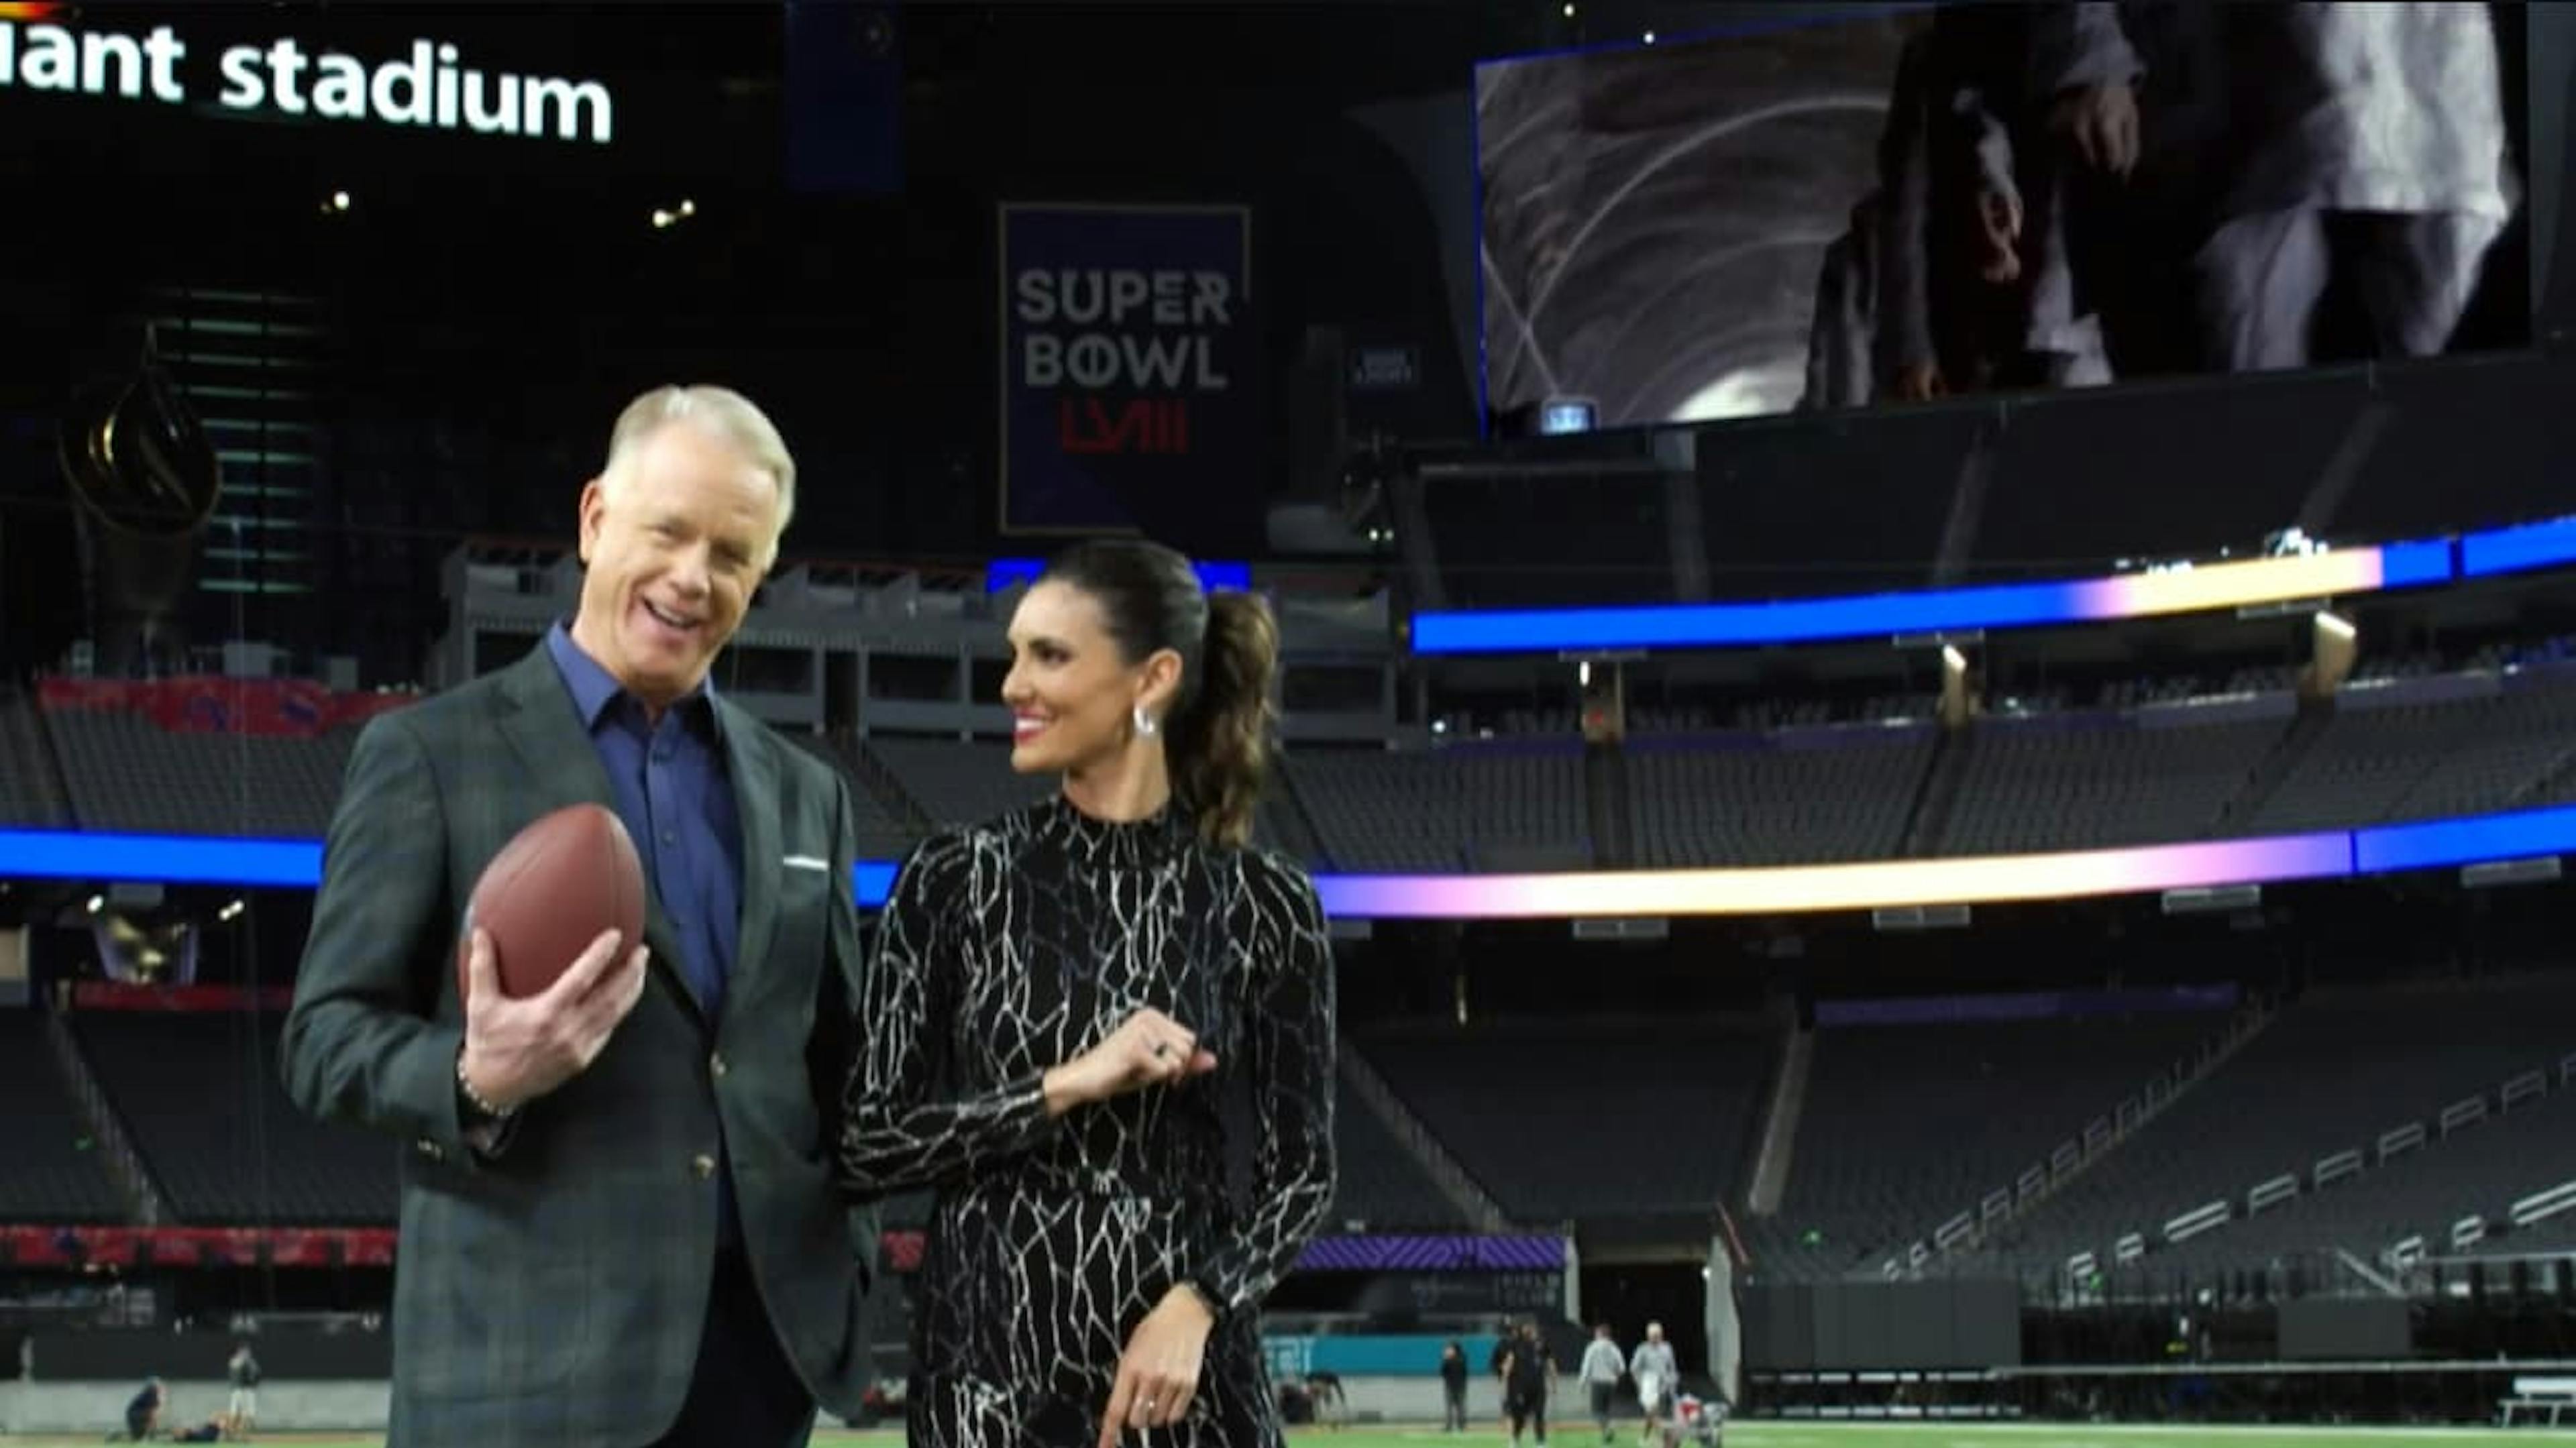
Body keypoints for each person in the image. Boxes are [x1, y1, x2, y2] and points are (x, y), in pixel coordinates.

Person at [282, 385, 882, 1448]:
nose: (695, 576)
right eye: (669, 530)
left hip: (758, 1367)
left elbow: (836, 1062)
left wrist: (852, 1263)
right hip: (527, 1377)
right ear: (597, 517)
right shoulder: (428, 754)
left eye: (735, 553)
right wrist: (476, 1077)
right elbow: (323, 1038)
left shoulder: (806, 792)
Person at [837, 539, 1337, 1448]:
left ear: (1152, 678)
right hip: (987, 1378)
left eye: (1050, 655)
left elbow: (1302, 1172)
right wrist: (1070, 1080)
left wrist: (1202, 1301)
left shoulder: (1266, 899)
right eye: (1014, 654)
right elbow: (865, 1142)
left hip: (1188, 1384)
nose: (1013, 686)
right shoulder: (954, 879)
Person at [1502, 1321, 1555, 1447]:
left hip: (1538, 1386)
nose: (1528, 1330)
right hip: (1521, 1387)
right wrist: (1504, 1382)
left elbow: (1550, 1363)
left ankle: (1540, 1441)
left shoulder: (1543, 1344)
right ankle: (1515, 1439)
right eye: (1525, 1327)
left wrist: (1554, 1382)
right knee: (1520, 1416)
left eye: (1530, 1327)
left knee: (1539, 1414)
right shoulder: (1515, 1343)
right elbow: (1509, 1362)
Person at [1631, 1322, 1679, 1448]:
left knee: (1652, 1415)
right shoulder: (1642, 1349)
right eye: (1653, 1335)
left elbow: (1672, 1368)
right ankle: (1667, 1441)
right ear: (1648, 1336)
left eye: (1658, 1335)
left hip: (1664, 1386)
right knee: (1653, 1414)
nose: (1655, 1338)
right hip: (1649, 1385)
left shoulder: (1667, 1348)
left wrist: (1673, 1381)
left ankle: (1645, 1438)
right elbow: (1635, 1369)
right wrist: (1640, 1384)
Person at [1577, 1323, 1623, 1443]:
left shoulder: (1592, 1347)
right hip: (1611, 1383)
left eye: (1596, 1333)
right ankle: (1606, 1434)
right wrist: (1616, 1378)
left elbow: (1586, 1366)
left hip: (1598, 1382)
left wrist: (1582, 1382)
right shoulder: (1614, 1348)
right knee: (1607, 1410)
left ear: (1600, 1334)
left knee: (1597, 1411)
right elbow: (1622, 1367)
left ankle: (1608, 1428)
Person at [223, 1341, 259, 1441]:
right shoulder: (246, 1362)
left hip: (236, 1390)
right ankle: (243, 1436)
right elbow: (252, 1376)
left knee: (235, 1413)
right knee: (245, 1414)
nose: (247, 1353)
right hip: (244, 1390)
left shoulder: (233, 1361)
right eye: (245, 1351)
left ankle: (230, 1435)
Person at [1438, 1339, 1470, 1432]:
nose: (1448, 1350)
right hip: (1450, 1386)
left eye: (1450, 1348)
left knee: (1461, 1406)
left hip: (1460, 1386)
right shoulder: (1447, 1359)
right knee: (1449, 1407)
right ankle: (1449, 1426)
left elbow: (1462, 1368)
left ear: (1455, 1349)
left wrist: (1448, 1358)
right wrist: (1445, 1359)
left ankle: (1462, 1425)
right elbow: (1442, 1372)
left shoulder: (1462, 1358)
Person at [124, 1376, 164, 1442]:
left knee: (138, 1436)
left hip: (135, 1415)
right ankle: (149, 1437)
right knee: (152, 1418)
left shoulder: (150, 1394)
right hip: (135, 1415)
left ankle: (147, 1437)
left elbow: (154, 1410)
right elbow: (153, 1411)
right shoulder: (151, 1394)